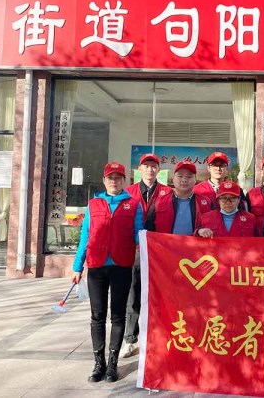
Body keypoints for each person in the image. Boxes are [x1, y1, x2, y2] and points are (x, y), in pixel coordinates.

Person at [72, 162, 143, 383]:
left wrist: (147, 245)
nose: (114, 181)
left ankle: (112, 363)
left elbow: (139, 234)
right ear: (104, 180)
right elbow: (85, 236)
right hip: (96, 266)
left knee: (118, 315)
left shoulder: (133, 204)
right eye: (110, 177)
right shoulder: (94, 204)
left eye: (118, 177)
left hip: (121, 266)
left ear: (124, 181)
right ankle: (98, 363)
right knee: (97, 315)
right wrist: (77, 267)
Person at [121, 154, 171, 359]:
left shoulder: (168, 193)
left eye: (153, 166)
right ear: (139, 169)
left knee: (158, 296)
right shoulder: (128, 193)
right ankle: (130, 339)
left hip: (160, 254)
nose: (150, 170)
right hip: (135, 252)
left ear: (159, 170)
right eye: (146, 166)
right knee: (133, 294)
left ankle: (156, 337)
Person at [155, 161, 213, 235]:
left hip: (194, 242)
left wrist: (200, 231)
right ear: (173, 179)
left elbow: (211, 226)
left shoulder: (206, 203)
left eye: (189, 177)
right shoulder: (159, 201)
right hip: (165, 242)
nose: (184, 180)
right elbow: (149, 227)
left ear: (195, 180)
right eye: (180, 176)